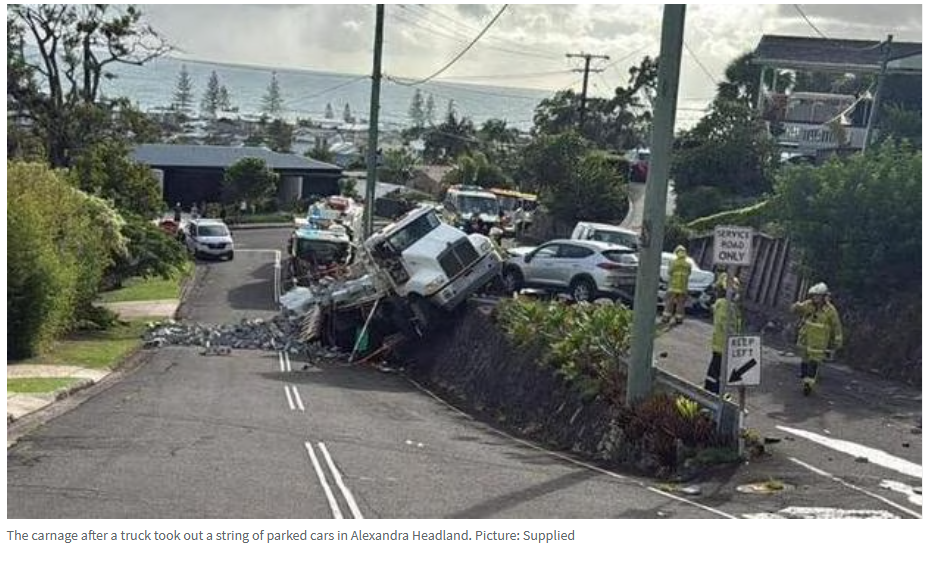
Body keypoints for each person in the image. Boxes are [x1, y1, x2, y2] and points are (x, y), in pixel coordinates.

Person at [791, 282, 844, 392]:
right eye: (814, 296)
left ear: (824, 297)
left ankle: (808, 384)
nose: (815, 298)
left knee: (814, 363)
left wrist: (838, 340)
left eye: (818, 296)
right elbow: (795, 310)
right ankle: (804, 377)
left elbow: (836, 325)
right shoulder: (808, 304)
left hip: (819, 342)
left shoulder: (830, 310)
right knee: (804, 361)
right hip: (806, 339)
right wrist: (796, 306)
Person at [703, 284, 742, 395]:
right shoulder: (726, 305)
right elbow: (726, 324)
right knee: (718, 368)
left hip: (721, 343)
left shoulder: (726, 305)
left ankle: (712, 389)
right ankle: (712, 391)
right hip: (723, 343)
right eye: (735, 293)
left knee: (717, 368)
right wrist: (734, 338)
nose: (737, 295)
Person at [662, 245, 691, 324]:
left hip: (673, 286)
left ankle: (666, 318)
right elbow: (689, 273)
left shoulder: (673, 262)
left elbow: (669, 272)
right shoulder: (688, 264)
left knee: (669, 303)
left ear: (677, 253)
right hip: (683, 287)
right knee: (680, 304)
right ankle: (679, 319)